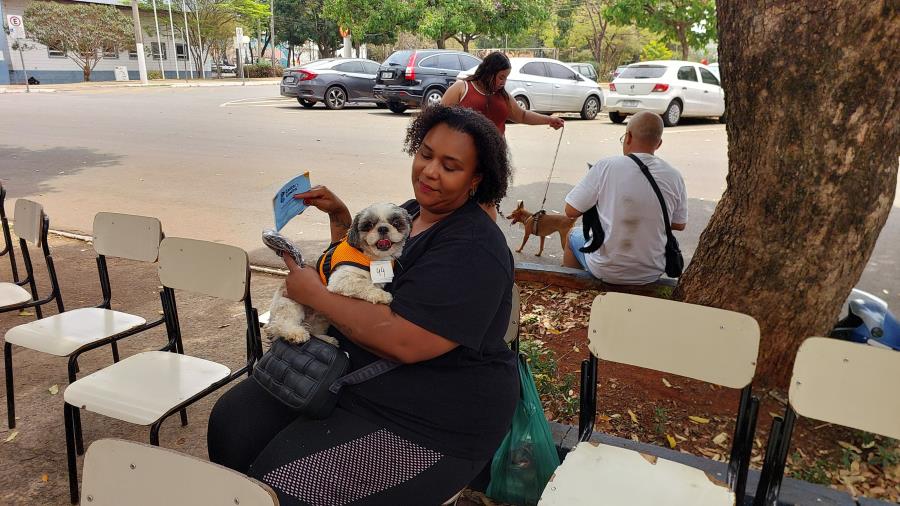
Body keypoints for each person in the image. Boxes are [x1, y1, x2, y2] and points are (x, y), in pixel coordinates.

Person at [207, 106, 519, 506]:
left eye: (450, 166)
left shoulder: (473, 248)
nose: (429, 171)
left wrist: (314, 295)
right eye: (425, 154)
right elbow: (357, 269)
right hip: (351, 377)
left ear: (476, 179)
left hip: (430, 417)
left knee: (287, 488)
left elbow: (408, 341)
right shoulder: (407, 215)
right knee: (231, 426)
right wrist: (341, 217)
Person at [562, 111, 687, 284]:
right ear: (658, 144)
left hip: (606, 269)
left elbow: (570, 211)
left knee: (572, 235)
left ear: (628, 137)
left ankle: (571, 292)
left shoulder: (606, 166)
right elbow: (679, 224)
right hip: (651, 271)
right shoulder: (674, 176)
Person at [441, 52, 565, 135]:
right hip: (464, 159)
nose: (504, 82)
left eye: (506, 78)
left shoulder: (503, 97)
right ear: (489, 72)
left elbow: (522, 116)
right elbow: (439, 120)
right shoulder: (461, 88)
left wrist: (549, 120)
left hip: (495, 161)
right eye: (501, 77)